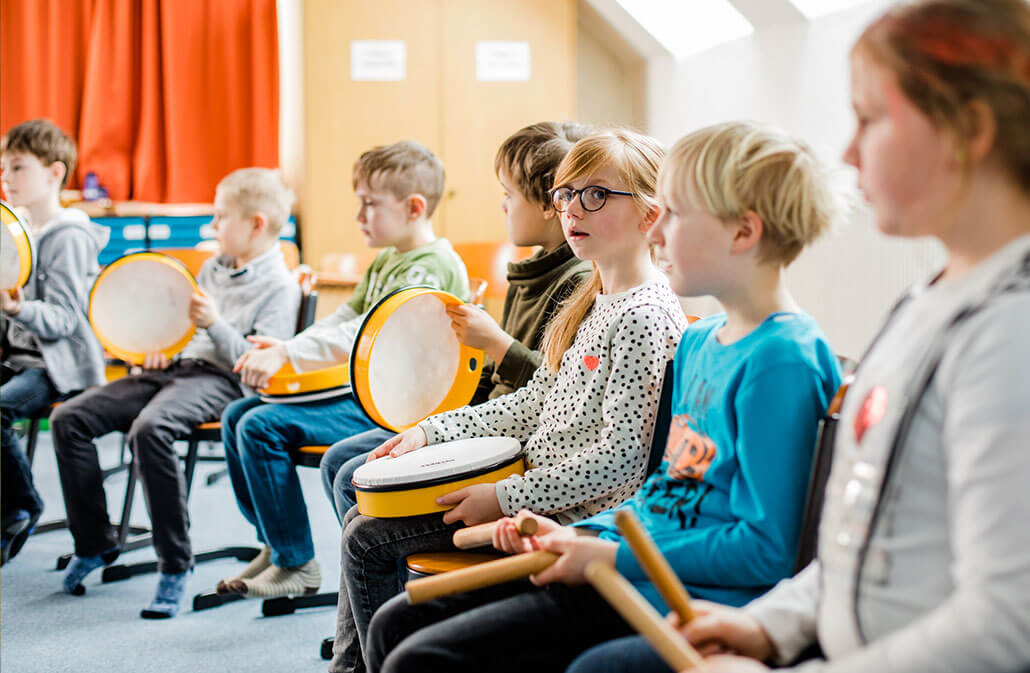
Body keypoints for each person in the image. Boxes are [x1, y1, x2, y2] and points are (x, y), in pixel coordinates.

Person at [365, 120, 843, 673]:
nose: (658, 230)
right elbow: (666, 490)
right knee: (395, 624)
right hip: (621, 552)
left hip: (678, 587)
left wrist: (605, 550)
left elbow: (767, 548)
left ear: (742, 232)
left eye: (676, 213)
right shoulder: (699, 342)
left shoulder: (783, 359)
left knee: (422, 655)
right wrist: (581, 534)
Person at [666, 2, 1030, 673]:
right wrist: (768, 625)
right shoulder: (929, 298)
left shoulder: (1011, 334)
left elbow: (1008, 624)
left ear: (968, 128)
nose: (848, 151)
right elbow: (855, 542)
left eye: (870, 119)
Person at [333, 128, 690, 673]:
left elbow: (620, 463)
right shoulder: (594, 298)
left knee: (366, 539)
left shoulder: (644, 316)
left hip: (563, 516)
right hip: (528, 491)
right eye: (566, 194)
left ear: (649, 215)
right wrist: (434, 432)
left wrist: (503, 496)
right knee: (365, 510)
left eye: (595, 194)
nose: (572, 208)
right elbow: (530, 403)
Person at [217, 141, 469, 599]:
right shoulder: (392, 257)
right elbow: (342, 319)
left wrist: (287, 356)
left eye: (369, 204)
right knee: (239, 414)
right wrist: (288, 347)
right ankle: (279, 547)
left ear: (414, 208)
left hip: (400, 410)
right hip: (373, 394)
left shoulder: (429, 267)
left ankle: (298, 564)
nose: (359, 215)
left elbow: (363, 334)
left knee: (258, 426)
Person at [50, 167, 300, 619]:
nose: (213, 226)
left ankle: (174, 563)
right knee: (70, 418)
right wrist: (163, 347)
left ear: (256, 224)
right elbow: (183, 330)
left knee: (151, 429)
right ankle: (94, 543)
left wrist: (214, 325)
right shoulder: (212, 267)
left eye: (222, 217)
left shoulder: (280, 286)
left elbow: (256, 364)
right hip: (177, 370)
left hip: (222, 380)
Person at [320, 121, 594, 523]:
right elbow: (492, 380)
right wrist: (437, 419)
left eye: (508, 194)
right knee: (342, 462)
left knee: (352, 478)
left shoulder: (578, 283)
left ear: (548, 204)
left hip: (511, 437)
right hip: (486, 417)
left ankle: (399, 579)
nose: (502, 206)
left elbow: (555, 392)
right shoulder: (530, 272)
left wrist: (496, 344)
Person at [0, 119, 109, 564]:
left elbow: (64, 319)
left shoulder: (69, 234)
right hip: (17, 355)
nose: (7, 178)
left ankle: (21, 504)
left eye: (18, 168)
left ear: (55, 173)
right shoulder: (17, 228)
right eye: (4, 168)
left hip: (55, 365)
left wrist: (15, 309)